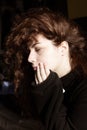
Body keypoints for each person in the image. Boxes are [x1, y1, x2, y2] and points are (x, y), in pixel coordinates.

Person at [4, 7, 87, 130]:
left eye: (38, 49)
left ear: (63, 49)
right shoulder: (36, 79)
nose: (30, 58)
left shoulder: (83, 87)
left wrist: (49, 92)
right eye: (29, 51)